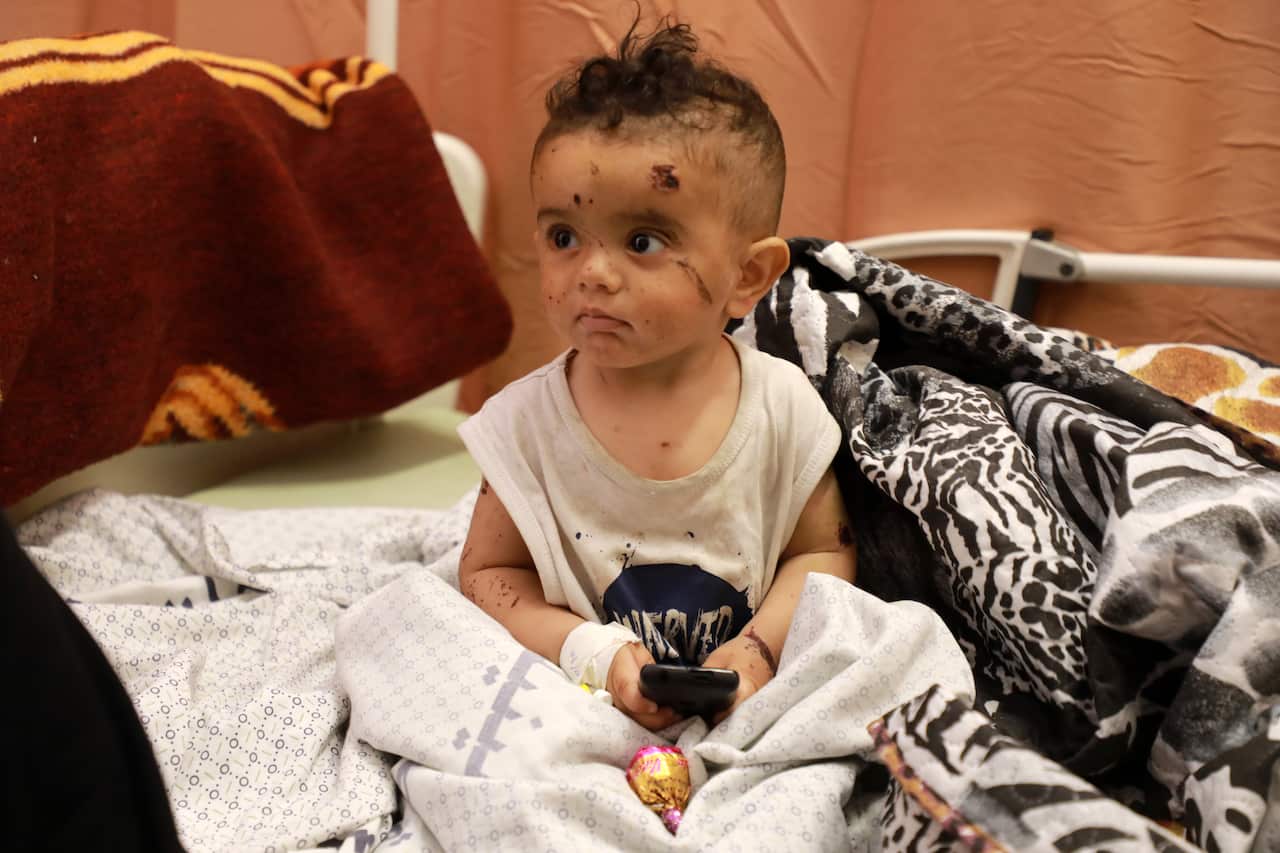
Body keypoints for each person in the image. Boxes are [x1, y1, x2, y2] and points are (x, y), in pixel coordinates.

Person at [457, 17, 856, 732]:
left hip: (748, 703)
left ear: (747, 276)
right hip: (573, 708)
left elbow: (822, 551)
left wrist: (759, 651)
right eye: (563, 237)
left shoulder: (784, 410)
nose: (592, 275)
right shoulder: (524, 425)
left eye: (643, 241)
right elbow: (489, 576)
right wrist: (587, 651)